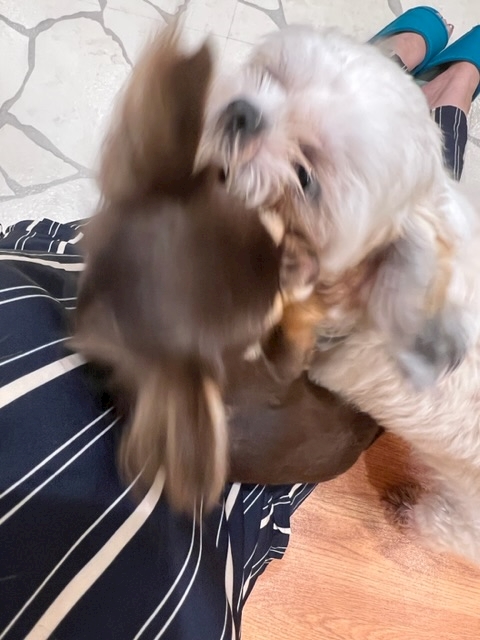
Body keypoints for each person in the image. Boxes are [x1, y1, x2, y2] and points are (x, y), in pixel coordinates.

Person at [1, 9, 479, 639]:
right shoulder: (402, 244)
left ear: (371, 278)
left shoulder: (369, 299)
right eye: (268, 75)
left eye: (304, 176)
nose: (246, 110)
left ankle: (404, 73)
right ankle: (445, 96)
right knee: (398, 171)